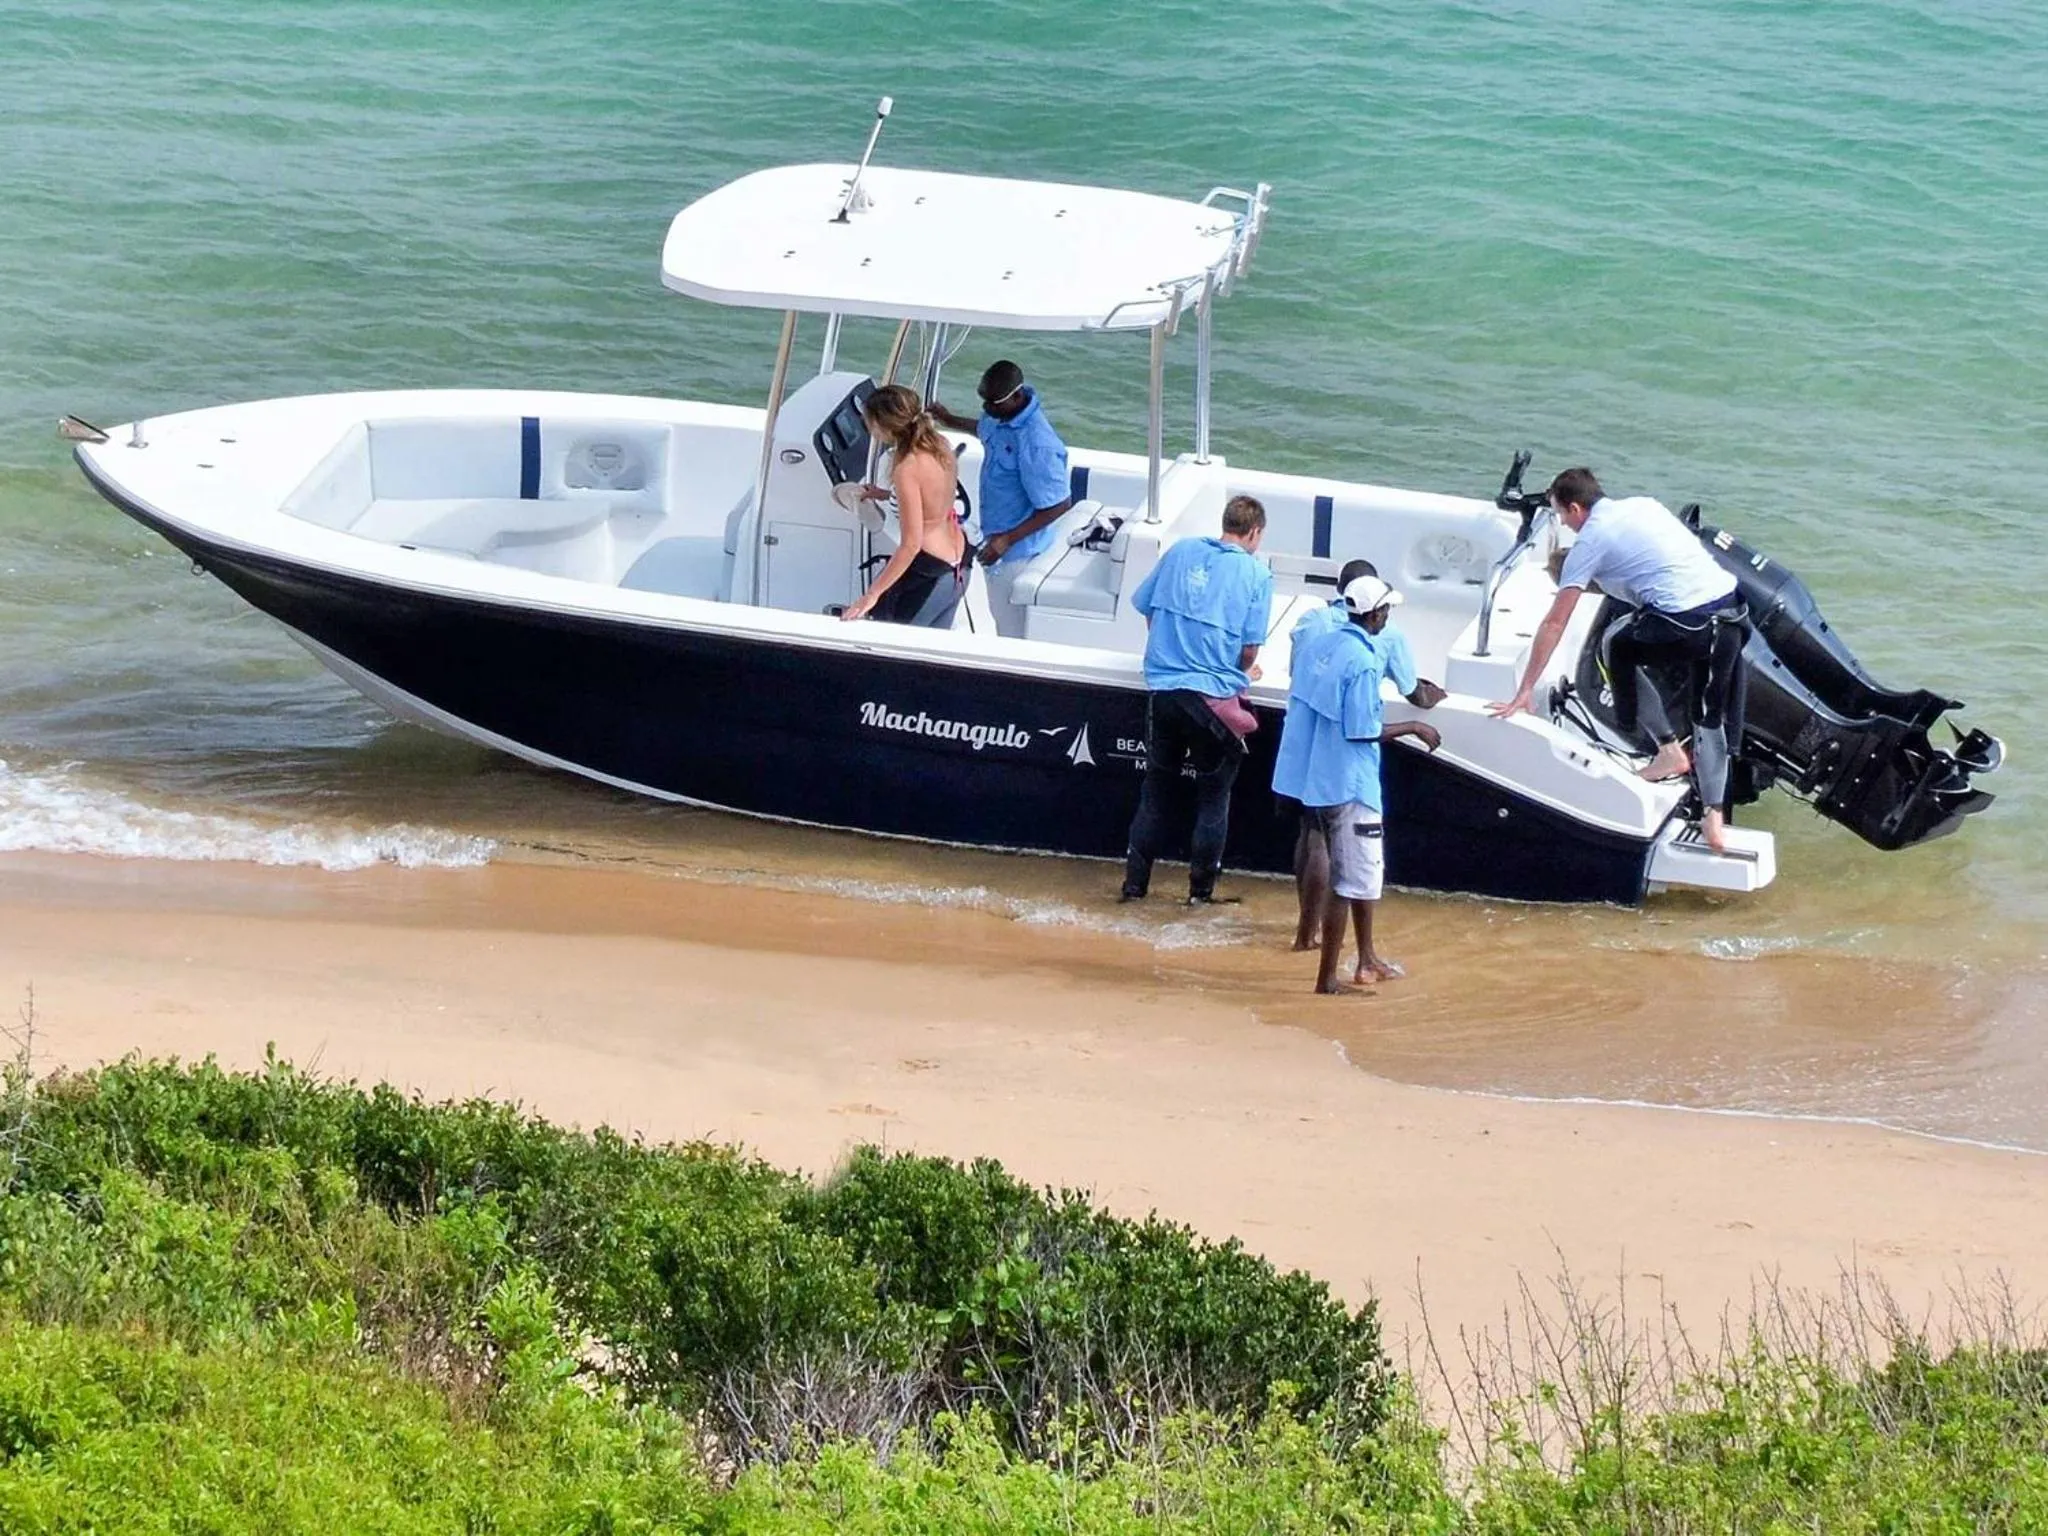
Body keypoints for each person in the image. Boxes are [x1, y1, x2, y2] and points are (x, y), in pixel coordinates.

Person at [1487, 467, 1747, 850]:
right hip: (1732, 615)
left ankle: (1666, 748)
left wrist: (1524, 690)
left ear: (1576, 509)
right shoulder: (1645, 506)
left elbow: (1555, 623)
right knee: (1707, 717)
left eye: (1561, 515)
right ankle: (1714, 818)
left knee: (1615, 644)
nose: (1565, 524)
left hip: (1687, 625)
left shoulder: (1591, 541)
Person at [1273, 574, 1442, 993]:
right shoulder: (1364, 662)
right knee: (1348, 883)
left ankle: (1365, 959)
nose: (1388, 616)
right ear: (1375, 613)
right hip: (1351, 783)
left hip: (1317, 777)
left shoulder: (1320, 644)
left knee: (1356, 874)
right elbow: (1362, 728)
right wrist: (1414, 727)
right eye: (1386, 609)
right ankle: (1328, 980)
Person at [1119, 495, 1274, 905]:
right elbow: (1249, 651)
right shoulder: (1256, 575)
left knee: (1155, 790)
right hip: (1211, 700)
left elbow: (1148, 611)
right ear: (1255, 533)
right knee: (1213, 797)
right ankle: (1199, 896)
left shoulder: (1181, 550)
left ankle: (1134, 888)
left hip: (1165, 690)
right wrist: (1245, 672)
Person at [931, 361, 1071, 637]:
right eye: (984, 402)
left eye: (993, 404)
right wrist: (949, 420)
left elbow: (1059, 504)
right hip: (994, 540)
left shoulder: (1037, 443)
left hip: (1018, 554)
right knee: (998, 615)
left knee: (1010, 630)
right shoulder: (1001, 415)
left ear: (1017, 396)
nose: (987, 410)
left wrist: (1006, 540)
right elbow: (983, 428)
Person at [841, 385, 970, 627]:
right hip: (959, 566)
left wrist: (871, 595)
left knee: (891, 643)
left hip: (929, 575)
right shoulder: (939, 444)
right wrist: (886, 495)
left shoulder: (906, 468)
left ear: (882, 426)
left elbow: (911, 545)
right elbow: (933, 496)